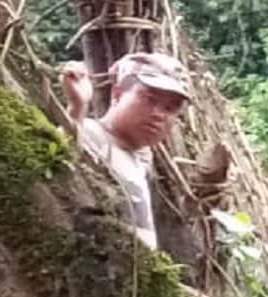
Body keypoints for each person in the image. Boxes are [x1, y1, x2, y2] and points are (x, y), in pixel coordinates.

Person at [61, 52, 191, 250]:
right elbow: (55, 159)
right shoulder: (91, 133)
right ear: (117, 94)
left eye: (170, 108)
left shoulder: (142, 157)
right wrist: (77, 108)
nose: (159, 115)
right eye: (149, 99)